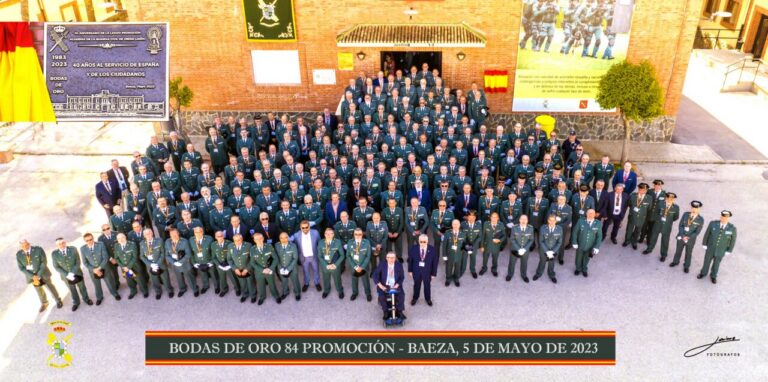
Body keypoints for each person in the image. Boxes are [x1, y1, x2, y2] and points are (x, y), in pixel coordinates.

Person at [16, 239, 62, 312]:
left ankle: (57, 300)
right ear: (20, 247)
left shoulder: (38, 250)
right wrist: (32, 276)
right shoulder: (19, 255)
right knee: (39, 290)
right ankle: (44, 303)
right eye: (23, 246)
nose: (25, 247)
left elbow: (44, 262)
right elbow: (21, 268)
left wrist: (38, 274)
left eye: (26, 245)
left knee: (50, 287)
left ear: (29, 243)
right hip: (32, 277)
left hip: (43, 273)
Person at [52, 238, 92, 311]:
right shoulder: (54, 254)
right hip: (66, 276)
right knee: (72, 289)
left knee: (82, 287)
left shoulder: (73, 249)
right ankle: (76, 302)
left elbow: (78, 262)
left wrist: (72, 273)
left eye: (63, 243)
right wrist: (67, 274)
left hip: (77, 273)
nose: (61, 245)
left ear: (65, 242)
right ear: (57, 245)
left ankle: (86, 299)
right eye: (59, 244)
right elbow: (56, 266)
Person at [697, 210, 737, 284]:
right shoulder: (713, 224)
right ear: (720, 216)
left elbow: (733, 241)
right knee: (706, 261)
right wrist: (704, 244)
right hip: (710, 248)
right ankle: (703, 273)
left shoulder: (732, 228)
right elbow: (707, 234)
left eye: (726, 218)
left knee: (716, 263)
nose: (724, 219)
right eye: (723, 217)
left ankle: (713, 276)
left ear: (728, 218)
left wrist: (729, 250)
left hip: (721, 250)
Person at [80, 233, 120, 304]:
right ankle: (99, 297)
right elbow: (85, 262)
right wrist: (94, 269)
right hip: (93, 270)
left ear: (93, 238)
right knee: (96, 284)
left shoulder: (100, 244)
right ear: (85, 241)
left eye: (90, 239)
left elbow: (105, 257)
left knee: (109, 282)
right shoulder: (83, 249)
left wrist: (99, 268)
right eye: (87, 240)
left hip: (104, 267)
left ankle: (115, 294)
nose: (89, 241)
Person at [670, 201, 705, 273]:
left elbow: (697, 232)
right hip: (681, 236)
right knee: (678, 250)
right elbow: (680, 225)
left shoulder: (700, 219)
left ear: (699, 209)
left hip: (690, 240)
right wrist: (683, 236)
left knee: (688, 253)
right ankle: (675, 261)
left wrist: (687, 237)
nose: (694, 209)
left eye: (696, 208)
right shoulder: (685, 214)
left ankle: (686, 266)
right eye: (693, 208)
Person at [643, 192, 680, 261]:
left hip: (667, 226)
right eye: (668, 198)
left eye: (672, 198)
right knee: (653, 237)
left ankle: (663, 255)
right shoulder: (660, 204)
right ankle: (649, 249)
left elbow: (675, 217)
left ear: (674, 199)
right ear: (666, 197)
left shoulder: (676, 208)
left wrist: (668, 221)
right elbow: (656, 212)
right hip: (658, 224)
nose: (670, 200)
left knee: (665, 241)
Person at [140, 228, 174, 300]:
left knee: (165, 278)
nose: (148, 235)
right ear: (144, 235)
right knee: (154, 279)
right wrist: (151, 264)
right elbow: (142, 256)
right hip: (150, 265)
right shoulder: (142, 243)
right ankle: (158, 292)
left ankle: (169, 290)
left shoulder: (159, 241)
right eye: (146, 234)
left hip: (161, 263)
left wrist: (157, 263)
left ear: (152, 233)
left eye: (149, 233)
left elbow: (163, 253)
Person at [114, 233, 149, 299]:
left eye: (122, 237)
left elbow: (134, 257)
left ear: (125, 237)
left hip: (134, 266)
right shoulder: (116, 246)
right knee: (129, 280)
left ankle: (144, 291)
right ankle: (133, 291)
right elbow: (116, 258)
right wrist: (123, 267)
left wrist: (128, 267)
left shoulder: (132, 245)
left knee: (139, 279)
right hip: (124, 268)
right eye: (119, 238)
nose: (121, 239)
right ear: (117, 240)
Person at [373, 252, 406, 320]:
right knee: (382, 297)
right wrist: (381, 286)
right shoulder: (382, 264)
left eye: (393, 258)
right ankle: (386, 311)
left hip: (395, 284)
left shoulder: (399, 265)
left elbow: (402, 277)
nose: (391, 259)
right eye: (389, 258)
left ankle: (399, 311)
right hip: (384, 285)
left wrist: (397, 284)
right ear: (386, 258)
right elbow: (375, 275)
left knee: (401, 295)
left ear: (395, 258)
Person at [290, 221, 321, 292]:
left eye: (306, 227)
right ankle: (306, 283)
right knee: (305, 271)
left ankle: (317, 282)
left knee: (316, 270)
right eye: (303, 228)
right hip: (303, 257)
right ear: (300, 228)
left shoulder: (315, 233)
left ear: (309, 227)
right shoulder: (296, 235)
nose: (305, 229)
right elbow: (290, 241)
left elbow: (319, 243)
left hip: (314, 256)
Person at [408, 234, 438, 306]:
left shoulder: (432, 250)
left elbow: (435, 263)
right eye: (421, 242)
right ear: (418, 241)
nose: (422, 243)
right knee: (416, 285)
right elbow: (410, 261)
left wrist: (433, 274)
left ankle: (428, 299)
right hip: (416, 271)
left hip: (427, 272)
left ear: (427, 241)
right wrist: (410, 270)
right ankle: (415, 298)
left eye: (424, 242)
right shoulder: (413, 249)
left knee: (427, 286)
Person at [571, 208, 603, 277]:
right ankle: (578, 269)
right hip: (580, 244)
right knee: (578, 258)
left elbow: (599, 236)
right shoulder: (581, 221)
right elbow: (575, 232)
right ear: (586, 214)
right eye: (589, 213)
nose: (590, 215)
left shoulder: (598, 223)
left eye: (592, 213)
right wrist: (574, 242)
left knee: (587, 258)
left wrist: (596, 247)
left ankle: (584, 269)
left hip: (590, 246)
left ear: (595, 215)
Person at [252, 232, 282, 305]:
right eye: (257, 239)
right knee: (261, 285)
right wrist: (262, 270)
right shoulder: (252, 249)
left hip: (269, 270)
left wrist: (270, 268)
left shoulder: (269, 246)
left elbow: (275, 259)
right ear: (254, 240)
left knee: (272, 284)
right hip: (259, 272)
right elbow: (252, 263)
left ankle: (276, 296)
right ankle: (262, 297)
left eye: (260, 238)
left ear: (263, 238)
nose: (259, 240)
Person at [622, 183, 652, 250]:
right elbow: (629, 204)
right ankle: (627, 241)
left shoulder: (649, 198)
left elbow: (649, 208)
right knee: (629, 229)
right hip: (632, 216)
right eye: (640, 189)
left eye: (644, 190)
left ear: (646, 190)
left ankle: (634, 242)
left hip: (641, 217)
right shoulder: (633, 196)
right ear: (638, 189)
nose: (642, 191)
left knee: (638, 231)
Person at [318, 228, 345, 299]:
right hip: (325, 265)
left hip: (335, 265)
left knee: (337, 279)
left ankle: (340, 290)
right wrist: (326, 265)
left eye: (330, 233)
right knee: (326, 279)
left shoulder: (338, 242)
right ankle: (326, 290)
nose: (328, 235)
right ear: (324, 234)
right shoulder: (320, 242)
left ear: (333, 235)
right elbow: (319, 256)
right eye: (327, 233)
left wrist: (335, 265)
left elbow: (342, 255)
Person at [535, 215, 562, 283]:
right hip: (544, 249)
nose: (552, 222)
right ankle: (538, 273)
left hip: (554, 250)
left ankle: (551, 275)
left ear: (556, 221)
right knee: (542, 261)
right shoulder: (543, 228)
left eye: (553, 220)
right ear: (548, 221)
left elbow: (559, 242)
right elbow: (541, 241)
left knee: (552, 263)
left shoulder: (559, 229)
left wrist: (552, 251)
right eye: (550, 220)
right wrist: (547, 251)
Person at [228, 233, 255, 303]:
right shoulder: (230, 246)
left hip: (248, 268)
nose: (237, 242)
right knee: (242, 283)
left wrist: (247, 269)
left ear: (242, 239)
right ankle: (245, 294)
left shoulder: (248, 245)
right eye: (235, 240)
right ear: (233, 240)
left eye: (239, 240)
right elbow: (229, 259)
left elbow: (252, 259)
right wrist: (235, 269)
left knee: (250, 282)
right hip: (238, 269)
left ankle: (253, 295)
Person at [347, 228, 372, 301]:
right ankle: (355, 293)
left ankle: (368, 293)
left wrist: (362, 267)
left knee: (365, 280)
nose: (357, 236)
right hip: (353, 266)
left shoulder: (366, 242)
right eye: (356, 234)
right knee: (354, 279)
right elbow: (348, 255)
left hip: (363, 266)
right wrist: (355, 266)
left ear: (362, 235)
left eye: (359, 234)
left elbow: (368, 256)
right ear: (353, 235)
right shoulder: (350, 242)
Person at [275, 232, 301, 301]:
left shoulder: (293, 246)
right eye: (281, 238)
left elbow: (295, 258)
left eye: (286, 237)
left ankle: (297, 293)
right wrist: (280, 268)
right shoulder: (277, 245)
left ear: (288, 238)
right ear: (279, 239)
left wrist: (288, 269)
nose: (284, 239)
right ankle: (285, 292)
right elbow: (276, 258)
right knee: (284, 281)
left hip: (292, 267)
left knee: (295, 280)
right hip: (281, 267)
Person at [509, 214, 535, 282]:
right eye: (522, 219)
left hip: (525, 250)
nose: (523, 221)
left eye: (525, 219)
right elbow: (512, 239)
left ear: (527, 221)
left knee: (524, 263)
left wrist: (525, 249)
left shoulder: (530, 228)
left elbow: (531, 240)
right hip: (515, 248)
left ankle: (524, 275)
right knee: (512, 262)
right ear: (519, 220)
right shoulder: (514, 228)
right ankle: (510, 274)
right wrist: (519, 249)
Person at [189, 227, 215, 294]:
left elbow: (213, 251)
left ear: (202, 232)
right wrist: (194, 262)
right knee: (203, 275)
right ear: (194, 233)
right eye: (196, 232)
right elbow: (191, 253)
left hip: (208, 260)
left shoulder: (209, 239)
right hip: (199, 261)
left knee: (214, 274)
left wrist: (211, 262)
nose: (198, 234)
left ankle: (217, 286)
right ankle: (206, 286)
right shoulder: (191, 240)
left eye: (199, 232)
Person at [211, 231, 237, 297]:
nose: (220, 238)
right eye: (218, 236)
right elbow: (213, 257)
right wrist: (219, 265)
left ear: (223, 236)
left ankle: (237, 289)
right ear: (215, 237)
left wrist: (230, 264)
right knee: (222, 278)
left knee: (233, 277)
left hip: (229, 265)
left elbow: (233, 256)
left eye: (221, 236)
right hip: (220, 265)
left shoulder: (229, 243)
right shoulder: (213, 245)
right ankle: (224, 289)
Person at [441, 219, 466, 287]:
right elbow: (444, 245)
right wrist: (444, 255)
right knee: (448, 267)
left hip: (459, 254)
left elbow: (465, 245)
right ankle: (448, 279)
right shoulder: (447, 233)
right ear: (452, 225)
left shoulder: (463, 234)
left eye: (457, 224)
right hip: (449, 255)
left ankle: (456, 279)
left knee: (457, 268)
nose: (455, 226)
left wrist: (467, 251)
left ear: (459, 225)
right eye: (454, 224)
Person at [481, 212, 506, 277]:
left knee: (495, 259)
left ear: (498, 218)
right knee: (485, 258)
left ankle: (494, 270)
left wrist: (499, 240)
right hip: (487, 245)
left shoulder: (501, 224)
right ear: (490, 217)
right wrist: (482, 246)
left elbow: (504, 236)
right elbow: (483, 235)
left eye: (495, 217)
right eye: (492, 217)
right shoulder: (486, 224)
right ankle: (484, 269)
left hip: (496, 246)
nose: (494, 219)